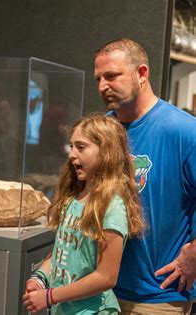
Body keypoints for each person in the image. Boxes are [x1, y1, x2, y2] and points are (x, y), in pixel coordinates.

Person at [94, 38, 196, 314]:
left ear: (141, 74)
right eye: (99, 78)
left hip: (158, 295)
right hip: (101, 290)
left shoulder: (184, 131)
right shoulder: (103, 131)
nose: (103, 86)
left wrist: (194, 254)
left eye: (112, 76)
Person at [23, 114, 145, 314]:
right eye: (71, 146)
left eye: (80, 147)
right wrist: (40, 277)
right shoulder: (74, 198)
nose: (71, 154)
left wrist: (49, 296)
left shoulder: (112, 207)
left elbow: (106, 277)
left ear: (106, 152)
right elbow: (63, 253)